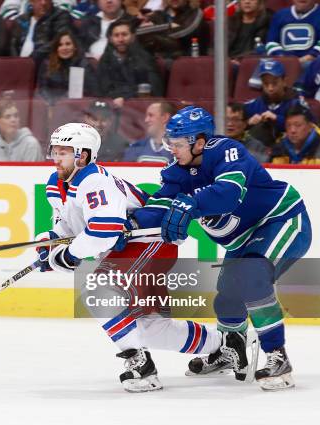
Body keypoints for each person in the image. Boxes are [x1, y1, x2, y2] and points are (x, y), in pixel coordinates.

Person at [135, 106, 311, 391]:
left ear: (200, 142)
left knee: (252, 278)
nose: (173, 150)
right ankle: (232, 351)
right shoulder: (176, 171)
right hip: (243, 238)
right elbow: (159, 207)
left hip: (281, 219)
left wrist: (190, 203)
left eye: (179, 144)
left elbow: (229, 194)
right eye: (171, 143)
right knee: (227, 296)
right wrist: (126, 225)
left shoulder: (227, 151)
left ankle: (278, 357)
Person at [38, 122, 223, 392]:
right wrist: (51, 240)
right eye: (55, 150)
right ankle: (226, 345)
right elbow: (69, 226)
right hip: (136, 249)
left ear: (84, 155)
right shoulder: (56, 183)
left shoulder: (94, 180)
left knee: (98, 292)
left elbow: (104, 232)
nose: (56, 157)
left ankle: (141, 367)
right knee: (149, 327)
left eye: (64, 151)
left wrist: (68, 255)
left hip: (151, 242)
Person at [96, 18, 163, 107]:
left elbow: (154, 88)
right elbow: (102, 89)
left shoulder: (144, 57)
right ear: (111, 39)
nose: (120, 39)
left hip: (139, 107)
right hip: (111, 107)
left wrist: (124, 98)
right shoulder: (105, 59)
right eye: (116, 35)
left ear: (133, 36)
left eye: (124, 34)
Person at [244, 59, 306, 146]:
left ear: (284, 81)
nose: (270, 88)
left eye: (274, 83)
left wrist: (277, 119)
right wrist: (248, 123)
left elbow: (308, 126)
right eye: (266, 83)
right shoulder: (257, 103)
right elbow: (235, 117)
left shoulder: (296, 102)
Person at [36, 30, 97, 103]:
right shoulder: (47, 63)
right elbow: (42, 89)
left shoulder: (84, 64)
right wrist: (52, 103)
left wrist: (65, 100)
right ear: (56, 48)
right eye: (60, 45)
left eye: (68, 44)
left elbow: (93, 90)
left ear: (75, 47)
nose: (64, 48)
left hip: (77, 106)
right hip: (53, 105)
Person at [9, 0, 72, 66]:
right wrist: (16, 63)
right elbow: (13, 45)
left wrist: (29, 61)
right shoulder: (21, 19)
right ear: (31, 1)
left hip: (47, 67)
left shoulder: (61, 16)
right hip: (20, 67)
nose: (43, 2)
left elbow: (56, 42)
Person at [265, 0, 320, 66]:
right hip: (283, 62)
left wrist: (310, 56)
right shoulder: (280, 15)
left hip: (313, 63)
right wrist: (282, 57)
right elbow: (271, 43)